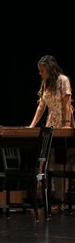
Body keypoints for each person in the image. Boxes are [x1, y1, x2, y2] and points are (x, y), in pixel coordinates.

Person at [28, 54, 74, 205]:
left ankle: (63, 197)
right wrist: (32, 126)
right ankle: (50, 197)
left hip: (63, 119)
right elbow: (41, 107)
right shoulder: (45, 83)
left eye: (42, 70)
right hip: (50, 123)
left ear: (49, 68)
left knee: (63, 159)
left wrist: (66, 123)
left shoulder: (63, 80)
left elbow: (67, 103)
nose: (40, 73)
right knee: (48, 160)